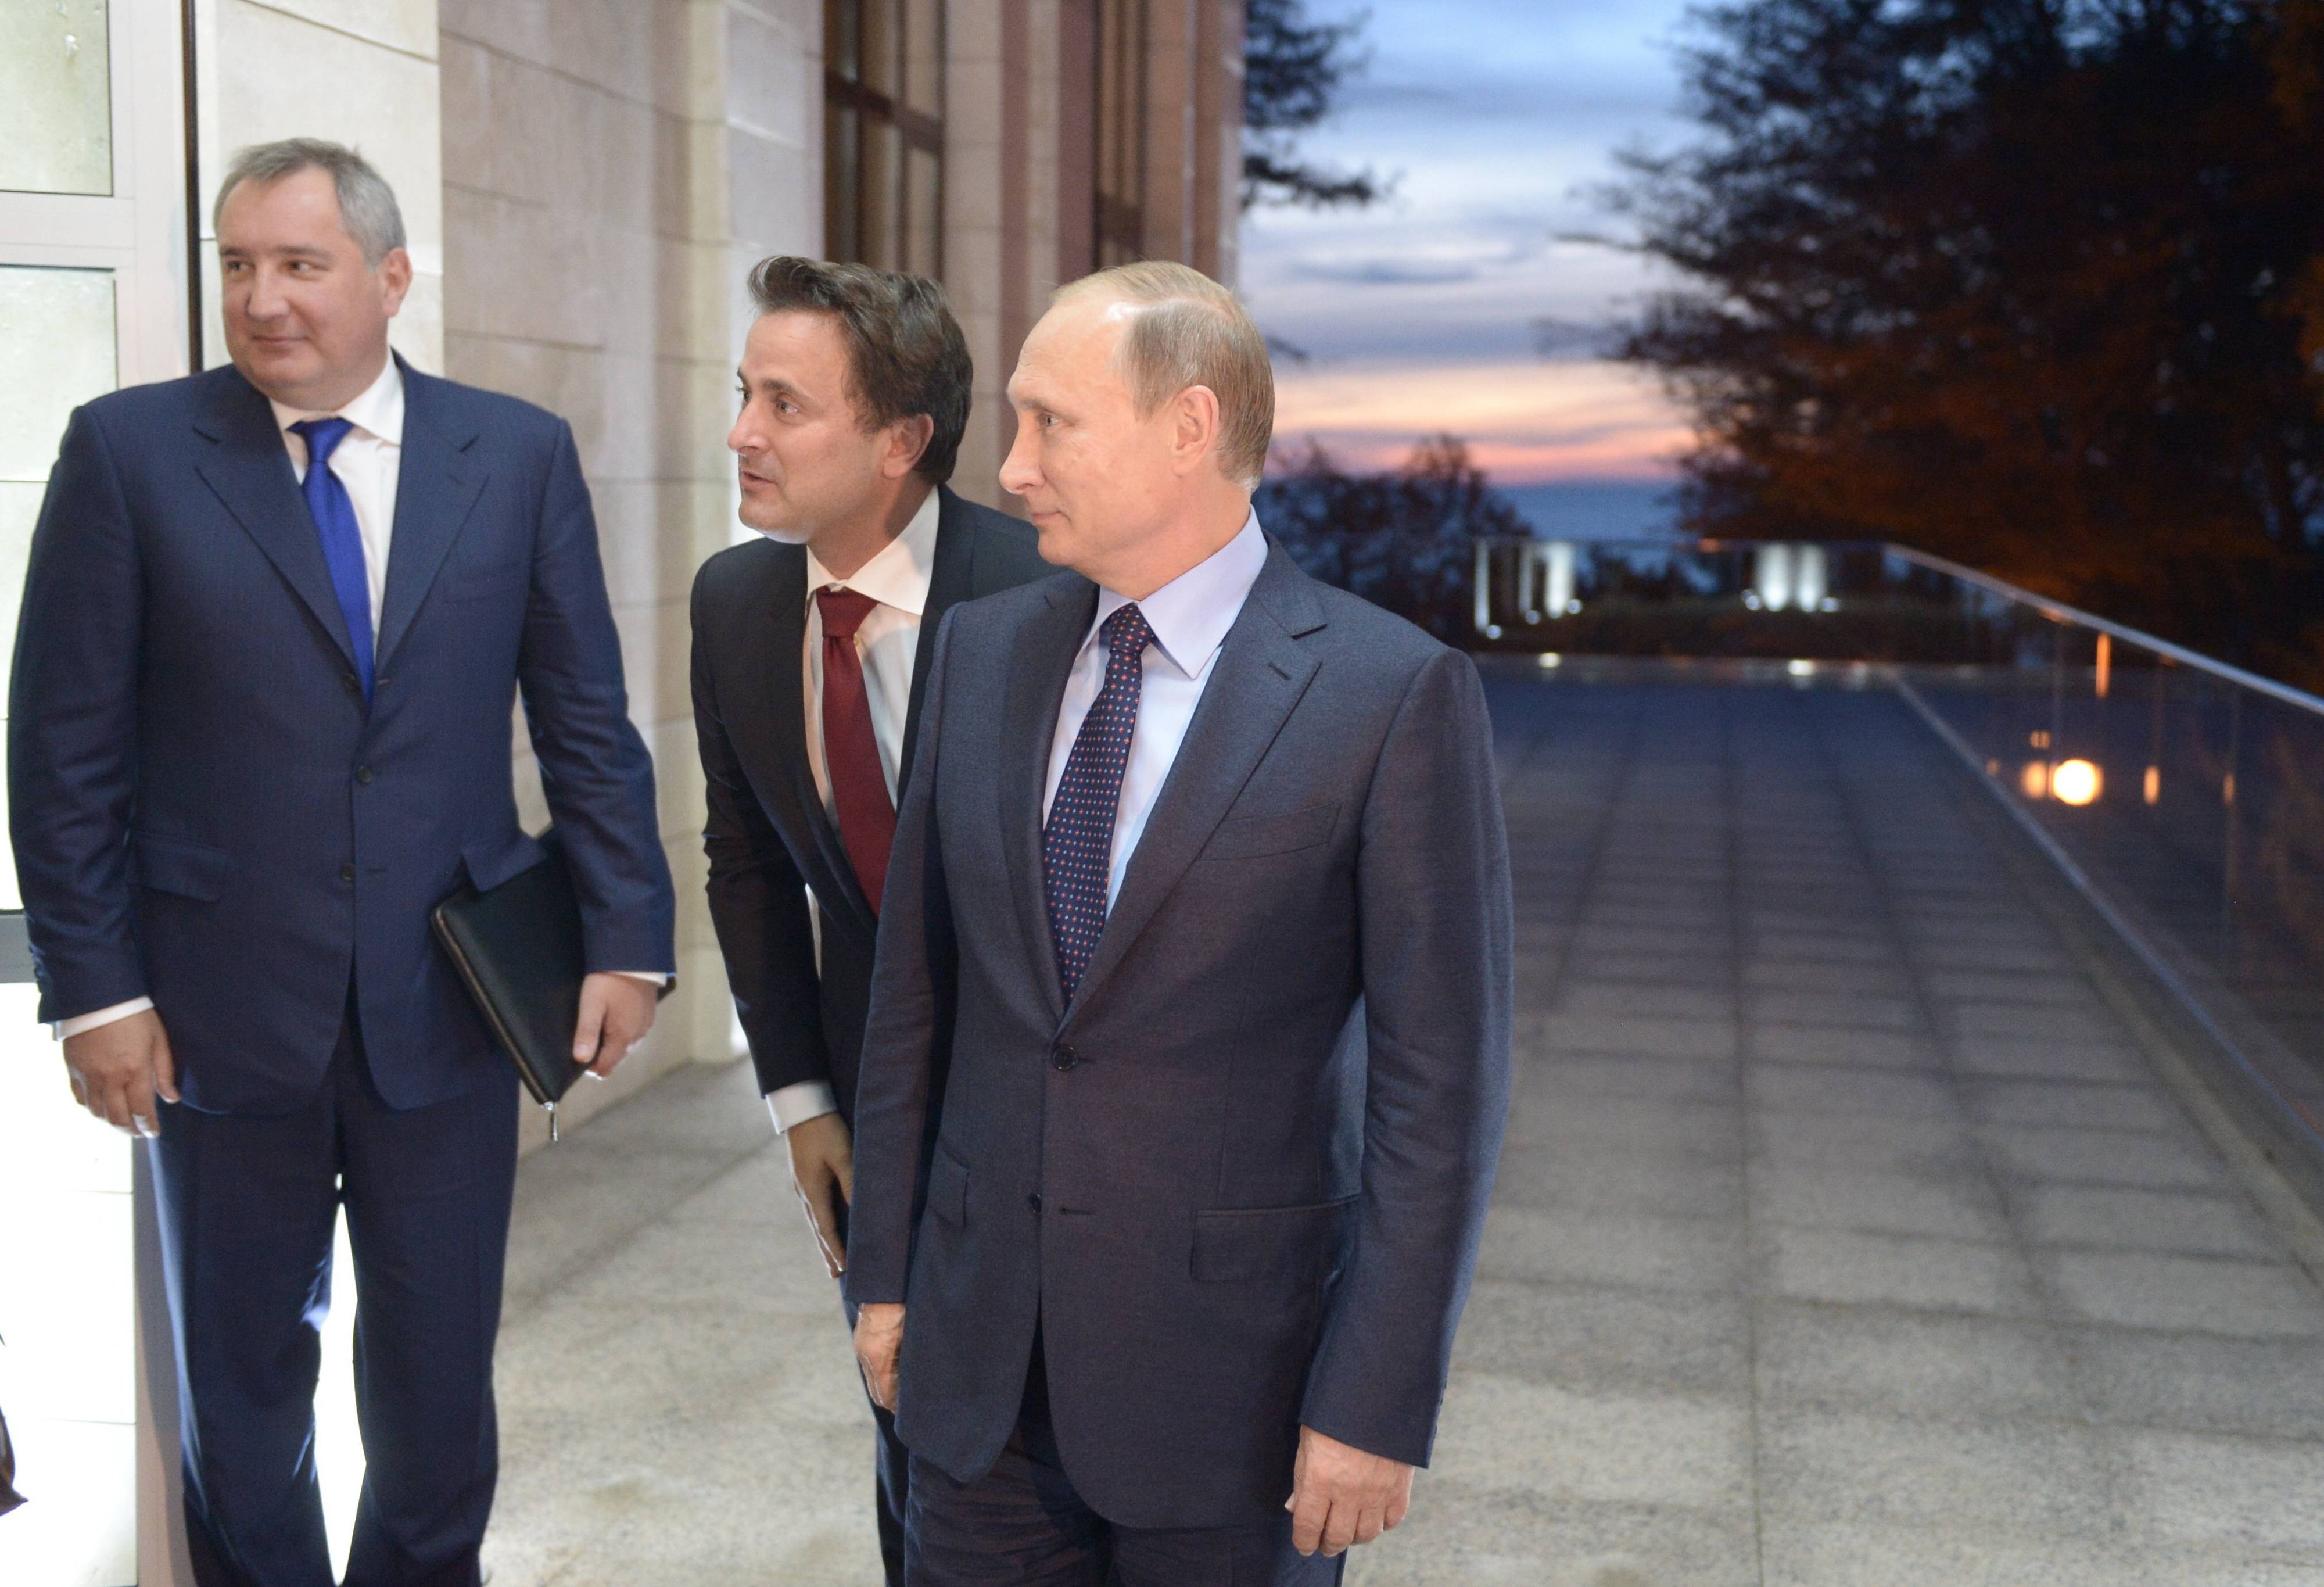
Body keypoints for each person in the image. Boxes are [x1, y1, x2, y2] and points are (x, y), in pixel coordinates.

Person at [9, 138, 676, 1587]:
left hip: (441, 1010)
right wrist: (95, 992)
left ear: (387, 278)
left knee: (439, 1403)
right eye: (237, 264)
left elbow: (581, 716)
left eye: (298, 266)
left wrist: (628, 932)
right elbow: (60, 753)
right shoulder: (127, 452)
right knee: (242, 1409)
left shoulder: (512, 454)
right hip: (208, 1019)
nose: (260, 300)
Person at [843, 260, 1514, 1585]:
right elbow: (912, 998)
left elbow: (1440, 1097)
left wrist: (1370, 1402)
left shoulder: (1389, 695)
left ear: (1189, 428)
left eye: (1052, 423)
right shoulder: (978, 653)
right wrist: (886, 1276)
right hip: (975, 1389)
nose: (1015, 465)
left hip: (1235, 1410)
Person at [690, 256, 1050, 1583]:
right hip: (867, 1098)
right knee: (904, 1430)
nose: (741, 433)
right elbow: (745, 864)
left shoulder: (1041, 596)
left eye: (785, 405)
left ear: (901, 442)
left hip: (1047, 1108)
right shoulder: (733, 603)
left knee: (1029, 1459)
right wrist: (800, 1101)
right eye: (742, 395)